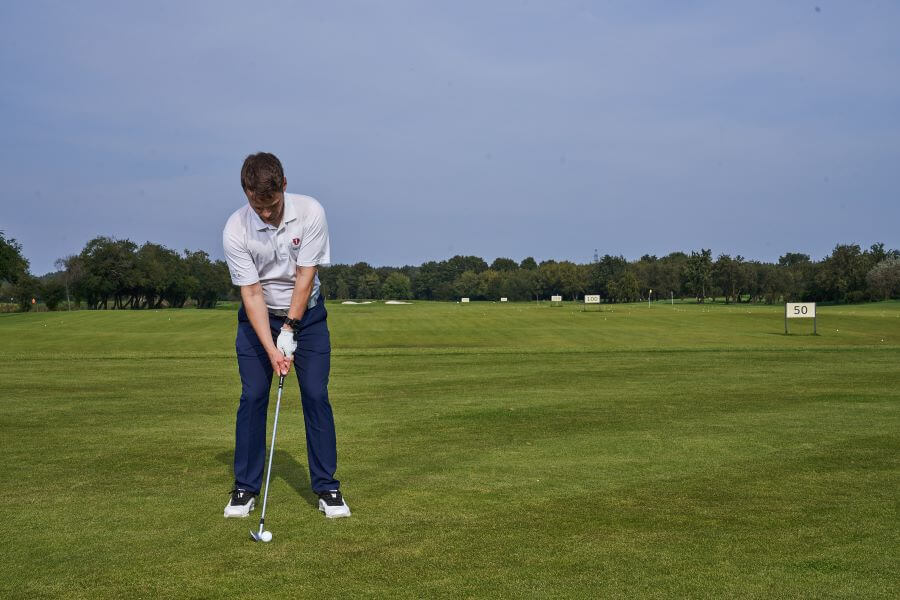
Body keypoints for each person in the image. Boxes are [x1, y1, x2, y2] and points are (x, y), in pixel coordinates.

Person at [221, 152, 350, 519]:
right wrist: (272, 347)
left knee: (315, 395)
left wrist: (291, 330)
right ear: (246, 192)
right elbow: (251, 294)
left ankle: (327, 488)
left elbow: (304, 277)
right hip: (257, 320)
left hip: (307, 317)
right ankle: (245, 487)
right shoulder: (235, 229)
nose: (264, 213)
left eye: (272, 205)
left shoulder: (310, 213)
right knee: (253, 395)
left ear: (284, 188)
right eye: (256, 205)